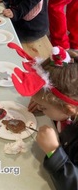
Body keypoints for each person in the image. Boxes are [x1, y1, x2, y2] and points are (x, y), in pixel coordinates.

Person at [9, 42, 78, 190]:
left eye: (44, 107)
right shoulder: (70, 107)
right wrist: (42, 101)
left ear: (68, 110)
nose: (40, 108)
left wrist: (54, 152)